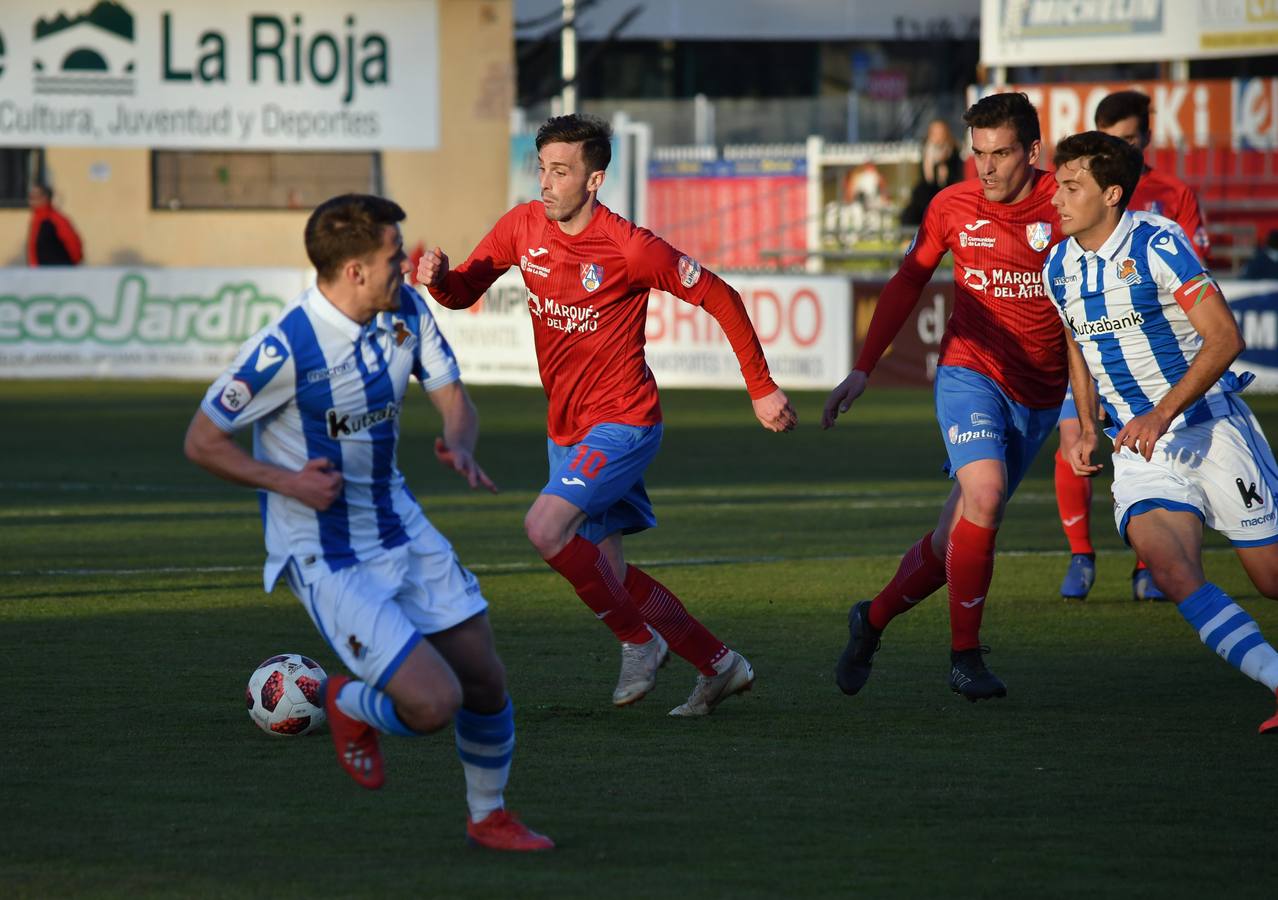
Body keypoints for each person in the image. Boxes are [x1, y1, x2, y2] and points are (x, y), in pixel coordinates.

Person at [184, 193, 553, 851]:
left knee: (486, 680)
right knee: (434, 704)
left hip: (400, 524)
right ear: (354, 269)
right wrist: (288, 481)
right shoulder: (286, 345)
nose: (405, 266)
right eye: (392, 256)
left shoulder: (406, 309)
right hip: (327, 554)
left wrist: (459, 440)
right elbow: (203, 440)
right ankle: (346, 703)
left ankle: (488, 815)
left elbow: (453, 401)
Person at [417, 114, 797, 717]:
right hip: (565, 428)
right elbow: (466, 290)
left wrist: (761, 387)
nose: (545, 183)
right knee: (610, 576)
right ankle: (720, 664)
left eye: (560, 171)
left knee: (544, 528)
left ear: (594, 180)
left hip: (625, 420)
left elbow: (719, 295)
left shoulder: (630, 247)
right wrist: (440, 282)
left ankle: (638, 643)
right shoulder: (521, 226)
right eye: (541, 168)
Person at [824, 92, 1064, 702]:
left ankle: (871, 620)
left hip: (1040, 392)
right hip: (970, 372)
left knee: (949, 540)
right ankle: (963, 658)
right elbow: (908, 281)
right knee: (985, 497)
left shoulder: (1065, 205)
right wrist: (862, 368)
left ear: (1033, 152)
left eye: (1001, 154)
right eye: (977, 153)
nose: (985, 168)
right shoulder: (952, 206)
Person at [1045, 130, 1278, 733]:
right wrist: (1087, 423)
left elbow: (1225, 337)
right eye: (1057, 185)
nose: (1057, 198)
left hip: (1211, 431)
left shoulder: (1157, 243)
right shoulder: (1058, 265)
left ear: (1113, 194)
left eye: (1072, 187)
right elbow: (1077, 341)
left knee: (1271, 579)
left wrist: (1161, 411)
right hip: (1141, 453)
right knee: (1171, 570)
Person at [1055, 89, 1213, 602]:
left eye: (1131, 138)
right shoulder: (1077, 192)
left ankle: (1149, 564)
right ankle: (1081, 554)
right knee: (1071, 438)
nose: (1127, 147)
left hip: (1153, 355)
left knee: (1153, 450)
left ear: (1145, 137)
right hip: (1092, 341)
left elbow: (1193, 277)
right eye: (1114, 139)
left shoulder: (1171, 197)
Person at [901, 119, 964, 227]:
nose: (937, 136)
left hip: (947, 191)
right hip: (927, 194)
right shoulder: (926, 151)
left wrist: (944, 164)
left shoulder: (953, 151)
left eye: (940, 132)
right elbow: (925, 177)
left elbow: (957, 176)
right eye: (934, 133)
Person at [27, 182, 83, 266]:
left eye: (35, 196)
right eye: (31, 197)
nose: (32, 200)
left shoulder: (56, 219)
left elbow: (73, 245)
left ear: (45, 198)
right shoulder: (37, 219)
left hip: (58, 272)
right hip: (41, 273)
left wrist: (69, 267)